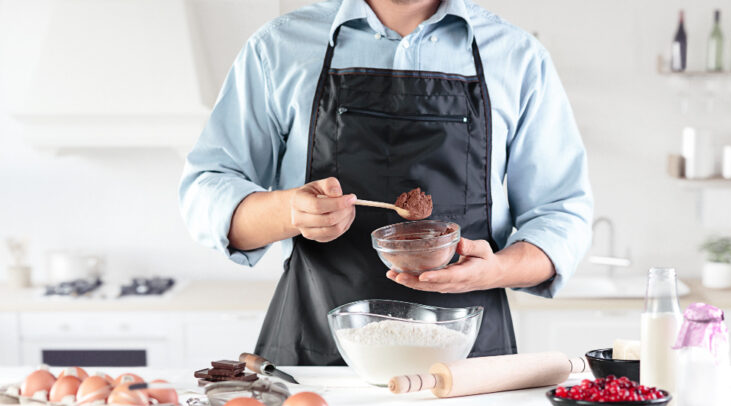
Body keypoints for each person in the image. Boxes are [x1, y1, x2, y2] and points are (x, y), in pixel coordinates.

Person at [179, 0, 593, 365]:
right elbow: (206, 190)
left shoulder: (517, 56)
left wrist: (496, 270)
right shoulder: (279, 47)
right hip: (319, 356)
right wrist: (289, 212)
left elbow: (563, 214)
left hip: (467, 363)